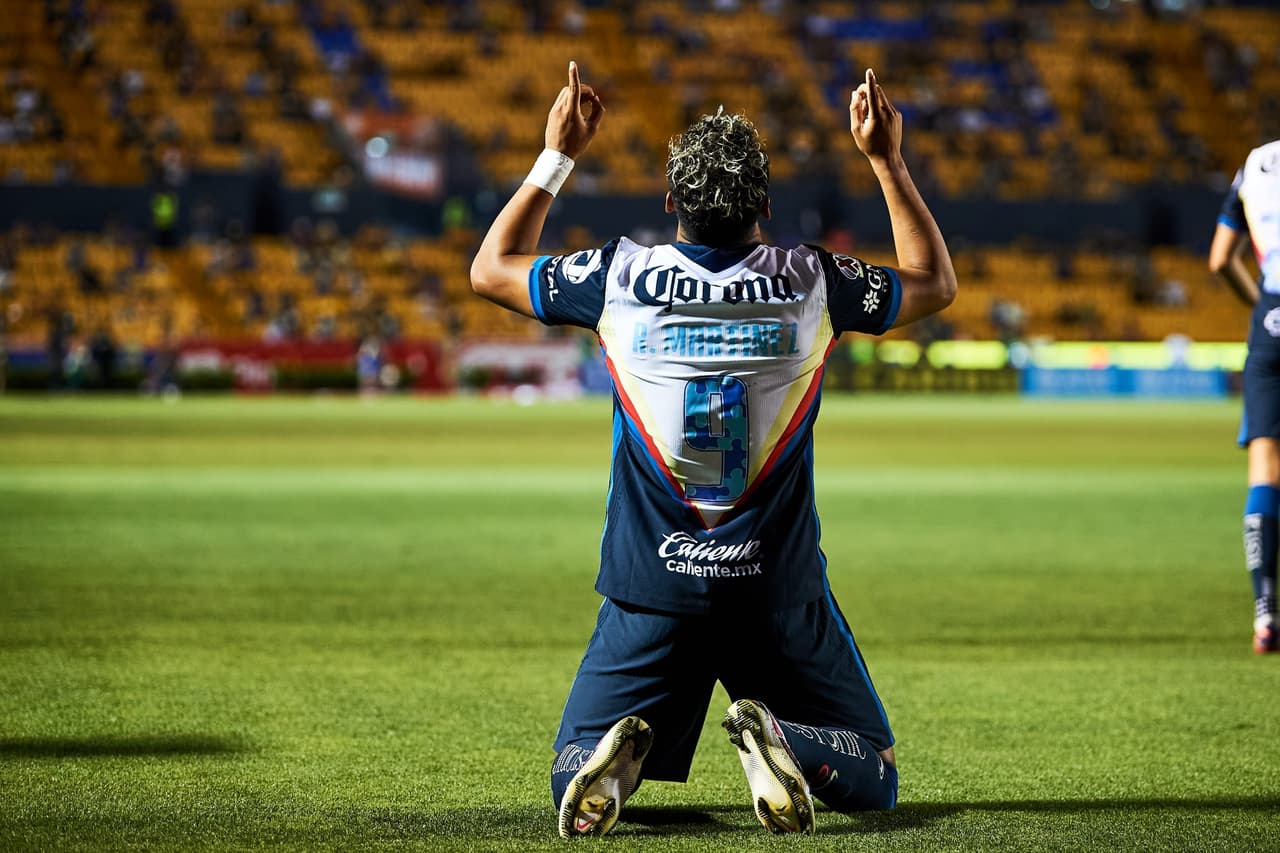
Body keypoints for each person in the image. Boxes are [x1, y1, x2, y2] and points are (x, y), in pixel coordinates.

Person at [471, 62, 957, 837]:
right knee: (875, 769)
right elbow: (934, 281)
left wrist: (558, 153)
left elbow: (489, 269)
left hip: (650, 586)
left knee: (571, 752)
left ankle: (611, 757)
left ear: (671, 204)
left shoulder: (619, 277)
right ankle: (786, 739)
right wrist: (885, 158)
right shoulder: (812, 280)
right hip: (776, 587)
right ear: (766, 206)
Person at [1209, 138, 1280, 654]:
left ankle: (1265, 615)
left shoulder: (1253, 164)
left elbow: (1219, 260)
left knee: (1264, 469)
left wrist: (1260, 306)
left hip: (1270, 322)